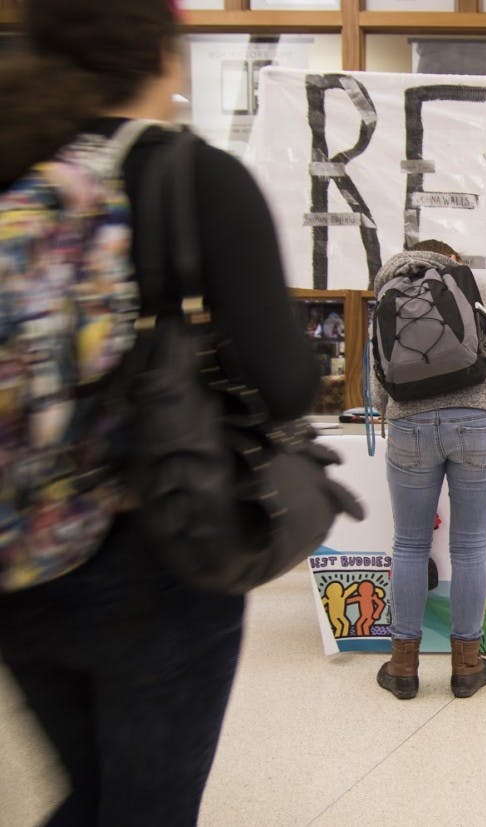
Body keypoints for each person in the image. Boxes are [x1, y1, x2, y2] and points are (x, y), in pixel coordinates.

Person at [0, 1, 321, 823]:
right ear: (166, 55)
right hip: (161, 544)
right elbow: (286, 383)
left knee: (88, 789)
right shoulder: (195, 176)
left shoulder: (19, 158)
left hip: (22, 544)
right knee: (147, 806)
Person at [371, 240, 486, 700]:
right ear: (453, 262)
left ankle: (403, 666)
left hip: (410, 425)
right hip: (481, 420)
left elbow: (380, 389)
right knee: (470, 545)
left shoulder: (387, 294)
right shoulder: (482, 287)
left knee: (408, 544)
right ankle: (467, 665)